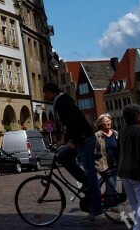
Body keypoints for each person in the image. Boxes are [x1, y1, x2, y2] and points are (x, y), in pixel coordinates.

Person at [43, 82, 101, 216]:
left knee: (90, 172)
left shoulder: (61, 103)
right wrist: (65, 139)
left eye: (46, 92)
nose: (45, 95)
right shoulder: (62, 100)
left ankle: (96, 206)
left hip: (84, 139)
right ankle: (85, 183)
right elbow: (70, 124)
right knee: (62, 156)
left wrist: (74, 141)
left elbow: (75, 122)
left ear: (52, 93)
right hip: (80, 138)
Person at [95, 113, 119, 194]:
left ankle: (107, 201)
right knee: (111, 184)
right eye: (105, 121)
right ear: (101, 123)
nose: (107, 123)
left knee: (113, 185)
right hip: (103, 165)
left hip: (114, 164)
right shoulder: (97, 135)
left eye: (108, 121)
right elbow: (93, 149)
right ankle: (111, 203)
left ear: (111, 121)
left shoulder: (116, 134)